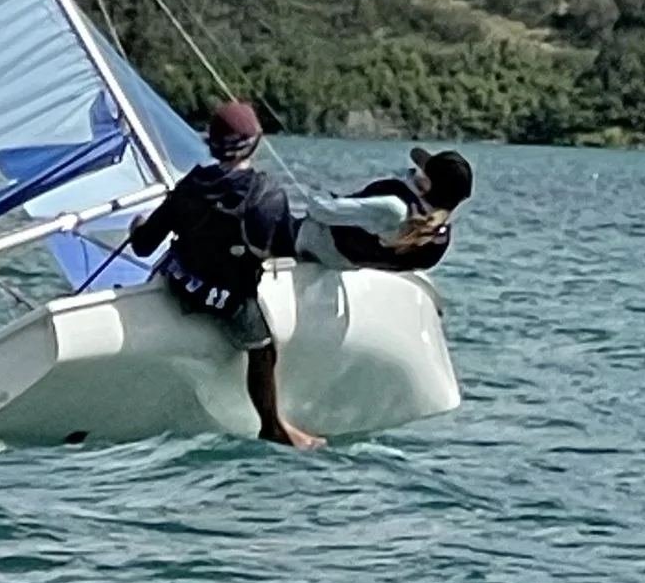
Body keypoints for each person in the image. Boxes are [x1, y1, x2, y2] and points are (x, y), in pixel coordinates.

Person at [123, 99, 323, 449]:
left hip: (179, 286)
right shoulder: (269, 194)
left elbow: (142, 246)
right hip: (229, 303)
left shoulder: (188, 188)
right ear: (256, 142)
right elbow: (286, 246)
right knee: (264, 348)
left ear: (211, 144)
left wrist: (136, 224)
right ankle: (272, 425)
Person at [297, 147, 474, 273]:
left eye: (420, 172)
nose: (414, 172)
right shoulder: (437, 233)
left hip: (311, 241)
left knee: (274, 199)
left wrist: (319, 193)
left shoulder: (394, 209)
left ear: (427, 184)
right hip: (343, 262)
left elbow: (321, 211)